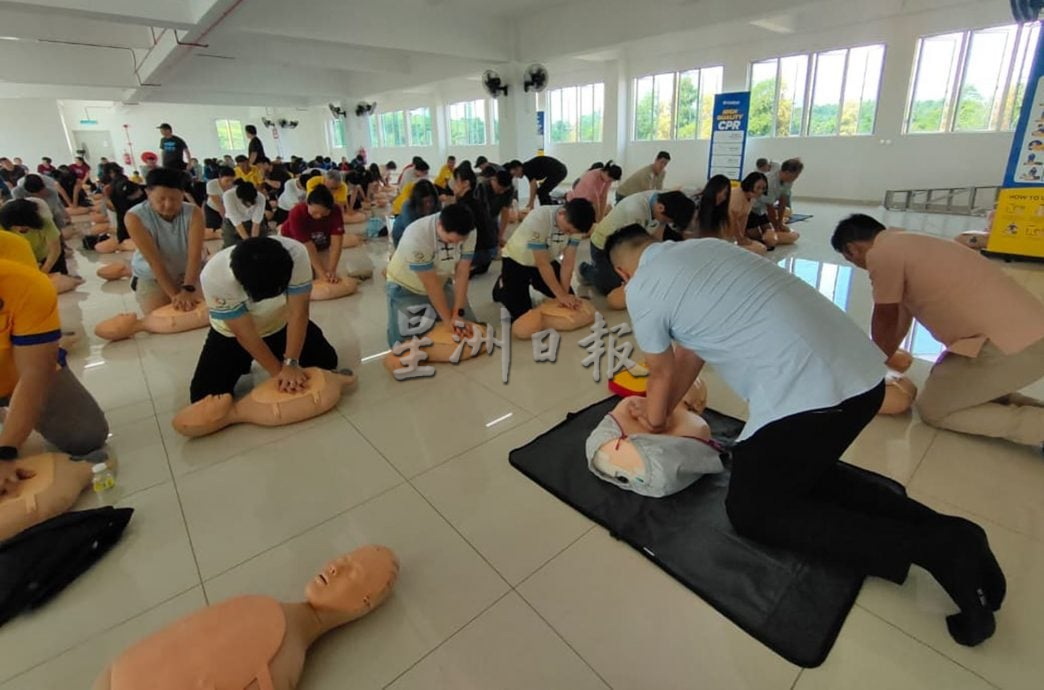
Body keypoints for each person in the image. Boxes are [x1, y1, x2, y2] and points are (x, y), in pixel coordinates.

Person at [606, 225, 1007, 648]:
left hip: (812, 398)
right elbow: (690, 352)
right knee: (806, 478)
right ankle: (954, 532)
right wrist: (667, 408)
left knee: (752, 512)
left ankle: (935, 547)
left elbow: (661, 370)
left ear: (622, 273)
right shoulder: (703, 248)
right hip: (866, 379)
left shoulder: (642, 288)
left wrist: (653, 420)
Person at [832, 214, 1044, 448]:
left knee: (934, 410)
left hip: (1010, 343)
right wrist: (881, 359)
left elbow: (886, 315)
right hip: (1022, 332)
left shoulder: (881, 254)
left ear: (852, 249)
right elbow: (900, 318)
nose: (861, 266)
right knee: (953, 387)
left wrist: (868, 369)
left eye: (852, 260)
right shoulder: (908, 242)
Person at [189, 236, 339, 402]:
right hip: (231, 335)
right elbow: (245, 334)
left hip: (280, 323)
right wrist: (279, 373)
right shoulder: (214, 275)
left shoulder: (296, 254)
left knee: (327, 362)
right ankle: (243, 361)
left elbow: (299, 312)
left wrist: (291, 363)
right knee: (203, 397)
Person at [0, 257, 109, 478]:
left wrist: (5, 453)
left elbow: (34, 372)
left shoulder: (24, 282)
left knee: (84, 436)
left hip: (19, 371)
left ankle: (54, 347)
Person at [384, 204, 477, 348]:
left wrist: (458, 313)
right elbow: (431, 285)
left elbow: (462, 271)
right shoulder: (417, 235)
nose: (455, 245)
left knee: (471, 327)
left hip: (441, 282)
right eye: (450, 241)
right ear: (439, 225)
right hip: (406, 288)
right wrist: (448, 320)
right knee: (403, 345)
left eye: (460, 242)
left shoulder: (469, 231)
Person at [493, 199, 595, 321]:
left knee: (569, 297)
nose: (568, 234)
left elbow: (567, 263)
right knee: (523, 315)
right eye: (567, 230)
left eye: (572, 233)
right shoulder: (539, 218)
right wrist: (561, 295)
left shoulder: (576, 226)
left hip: (546, 259)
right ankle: (501, 286)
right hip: (517, 260)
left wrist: (565, 294)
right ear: (562, 213)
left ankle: (524, 283)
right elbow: (543, 264)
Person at [579, 190, 695, 295]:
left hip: (631, 240)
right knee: (612, 286)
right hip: (604, 245)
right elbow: (630, 251)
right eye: (668, 221)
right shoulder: (635, 211)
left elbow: (657, 237)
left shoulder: (665, 201)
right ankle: (586, 270)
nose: (667, 223)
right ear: (660, 208)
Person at [124, 168, 204, 314]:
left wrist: (188, 288)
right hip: (153, 276)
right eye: (161, 199)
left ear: (182, 194)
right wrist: (175, 296)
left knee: (202, 312)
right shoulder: (134, 217)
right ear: (148, 193)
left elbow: (194, 256)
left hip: (187, 273)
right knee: (158, 316)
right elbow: (154, 261)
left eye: (174, 199)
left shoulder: (194, 213)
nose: (168, 204)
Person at [280, 185, 345, 284]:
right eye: (315, 212)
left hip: (320, 242)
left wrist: (332, 270)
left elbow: (336, 244)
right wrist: (322, 274)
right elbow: (308, 247)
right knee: (304, 277)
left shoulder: (335, 211)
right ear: (307, 204)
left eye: (323, 214)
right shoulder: (297, 213)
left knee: (327, 277)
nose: (318, 216)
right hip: (294, 242)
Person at [449, 162, 497, 276]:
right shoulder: (476, 202)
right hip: (488, 255)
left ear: (466, 183)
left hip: (477, 254)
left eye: (456, 181)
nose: (453, 185)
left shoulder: (463, 206)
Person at [0, 199, 65, 275]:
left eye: (23, 225)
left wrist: (43, 271)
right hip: (23, 262)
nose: (19, 228)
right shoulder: (3, 226)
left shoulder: (45, 221)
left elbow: (55, 250)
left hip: (48, 259)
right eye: (15, 226)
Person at [748, 157, 802, 248]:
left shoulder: (788, 180)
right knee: (757, 236)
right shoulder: (770, 181)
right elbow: (770, 208)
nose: (796, 178)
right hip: (750, 208)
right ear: (787, 173)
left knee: (769, 233)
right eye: (795, 175)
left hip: (761, 211)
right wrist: (776, 226)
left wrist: (780, 222)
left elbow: (783, 201)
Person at [728, 172, 770, 255]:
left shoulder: (751, 197)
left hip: (732, 232)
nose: (761, 191)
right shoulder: (737, 195)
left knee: (762, 248)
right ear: (750, 185)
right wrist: (739, 239)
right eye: (758, 187)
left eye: (763, 188)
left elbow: (744, 218)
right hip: (722, 228)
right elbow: (733, 219)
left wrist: (742, 237)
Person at [391, 179, 440, 248]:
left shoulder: (437, 204)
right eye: (425, 202)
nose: (428, 204)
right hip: (403, 234)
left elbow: (439, 223)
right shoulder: (408, 206)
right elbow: (411, 230)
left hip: (424, 235)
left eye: (431, 201)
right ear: (418, 201)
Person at [222, 179, 267, 247]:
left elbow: (256, 223)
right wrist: (247, 243)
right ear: (240, 199)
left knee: (262, 244)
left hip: (251, 221)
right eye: (246, 204)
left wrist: (253, 242)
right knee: (233, 247)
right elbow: (236, 221)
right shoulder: (228, 196)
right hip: (232, 224)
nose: (249, 206)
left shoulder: (261, 198)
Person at [476, 168, 515, 246]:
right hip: (478, 216)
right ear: (494, 180)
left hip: (493, 215)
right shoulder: (482, 186)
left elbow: (505, 212)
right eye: (500, 189)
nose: (502, 192)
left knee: (494, 240)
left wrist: (500, 236)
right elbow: (480, 212)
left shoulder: (509, 188)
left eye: (504, 190)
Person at [205, 166, 237, 234]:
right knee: (213, 231)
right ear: (220, 177)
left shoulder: (236, 185)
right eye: (227, 180)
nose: (230, 183)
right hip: (213, 209)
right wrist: (227, 221)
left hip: (228, 209)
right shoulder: (211, 184)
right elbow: (219, 205)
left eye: (232, 180)